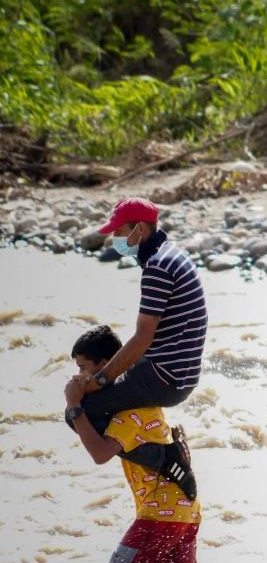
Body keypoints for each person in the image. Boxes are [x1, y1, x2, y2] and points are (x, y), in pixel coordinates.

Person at [65, 197, 206, 497]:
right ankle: (153, 447)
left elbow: (143, 337)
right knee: (100, 391)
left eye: (120, 231)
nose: (116, 239)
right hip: (176, 372)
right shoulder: (172, 255)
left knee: (79, 412)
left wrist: (100, 381)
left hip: (166, 377)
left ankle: (165, 458)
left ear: (139, 230)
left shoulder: (157, 267)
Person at [64, 326, 201, 563]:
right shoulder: (144, 399)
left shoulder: (128, 413)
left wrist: (74, 406)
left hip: (160, 515)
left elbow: (100, 454)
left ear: (105, 366)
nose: (79, 376)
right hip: (187, 512)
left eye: (83, 368)